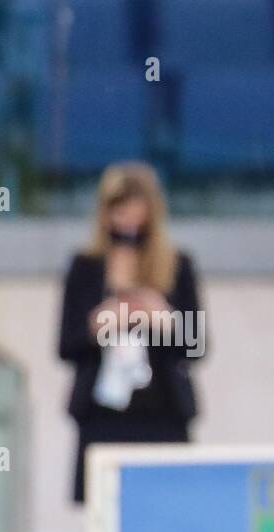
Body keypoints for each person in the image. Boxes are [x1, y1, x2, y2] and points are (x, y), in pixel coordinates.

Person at [58, 161, 207, 504]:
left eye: (136, 205)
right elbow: (65, 345)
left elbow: (198, 345)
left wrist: (163, 319)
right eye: (118, 206)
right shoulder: (86, 268)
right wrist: (99, 324)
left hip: (163, 412)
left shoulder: (176, 265)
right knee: (105, 512)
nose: (128, 216)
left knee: (169, 505)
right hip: (103, 414)